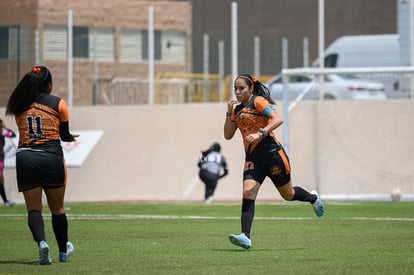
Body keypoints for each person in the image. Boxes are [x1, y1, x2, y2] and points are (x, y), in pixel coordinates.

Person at [223, 74, 324, 250]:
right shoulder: (237, 110)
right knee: (248, 192)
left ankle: (313, 198)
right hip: (253, 158)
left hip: (273, 155)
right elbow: (228, 135)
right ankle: (245, 236)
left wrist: (260, 133)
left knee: (288, 195)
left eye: (241, 88)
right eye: (235, 89)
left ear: (251, 89)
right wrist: (228, 112)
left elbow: (278, 119)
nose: (238, 92)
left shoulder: (259, 101)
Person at [5, 66, 78, 265]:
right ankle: (63, 251)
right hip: (51, 157)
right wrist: (70, 136)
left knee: (34, 210)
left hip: (26, 157)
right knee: (58, 209)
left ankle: (42, 244)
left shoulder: (19, 104)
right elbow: (63, 135)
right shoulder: (58, 103)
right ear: (48, 83)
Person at [0, 118, 16, 207]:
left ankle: (6, 201)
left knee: (1, 180)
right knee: (1, 179)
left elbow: (12, 135)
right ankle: (6, 201)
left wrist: (4, 128)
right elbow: (11, 134)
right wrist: (5, 127)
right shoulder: (2, 131)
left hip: (1, 159)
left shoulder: (2, 132)